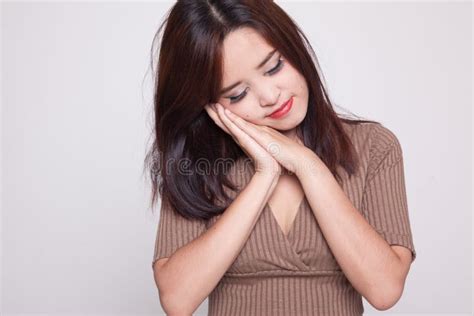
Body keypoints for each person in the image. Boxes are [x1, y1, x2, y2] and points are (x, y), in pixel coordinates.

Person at [145, 1, 417, 315]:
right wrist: (264, 175)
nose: (270, 96)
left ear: (294, 47)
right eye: (237, 94)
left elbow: (384, 289)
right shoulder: (198, 163)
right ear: (209, 104)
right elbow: (177, 300)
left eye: (274, 67)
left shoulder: (374, 147)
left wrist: (308, 166)